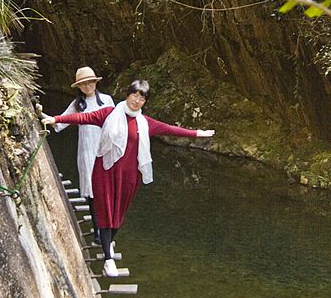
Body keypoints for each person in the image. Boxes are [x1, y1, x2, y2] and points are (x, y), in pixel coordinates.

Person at [41, 79, 215, 276]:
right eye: (135, 95)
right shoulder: (109, 114)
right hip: (105, 170)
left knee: (118, 214)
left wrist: (198, 133)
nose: (137, 100)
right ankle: (108, 259)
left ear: (145, 101)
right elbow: (84, 117)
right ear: (127, 95)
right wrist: (57, 119)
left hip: (130, 175)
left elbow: (171, 129)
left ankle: (110, 241)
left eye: (142, 97)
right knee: (105, 211)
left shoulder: (145, 122)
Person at [50, 66, 114, 246]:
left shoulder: (107, 101)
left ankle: (106, 231)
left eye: (90, 82)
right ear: (79, 86)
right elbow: (60, 122)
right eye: (84, 83)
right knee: (93, 194)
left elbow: (117, 126)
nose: (88, 86)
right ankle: (97, 232)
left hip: (105, 151)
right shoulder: (78, 105)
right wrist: (43, 117)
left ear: (96, 82)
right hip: (87, 153)